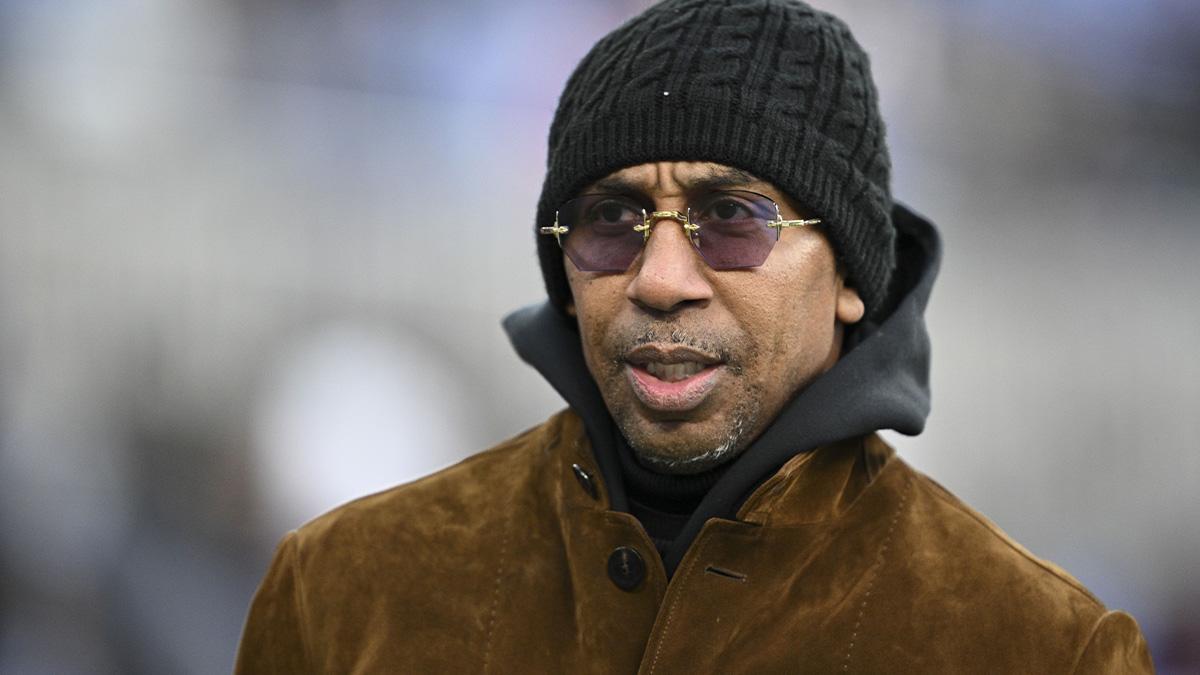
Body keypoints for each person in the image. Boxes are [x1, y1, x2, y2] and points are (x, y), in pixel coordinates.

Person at [235, 1, 1153, 672]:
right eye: (611, 220)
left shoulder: (1040, 647)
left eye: (733, 217)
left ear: (849, 279)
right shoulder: (339, 593)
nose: (662, 279)